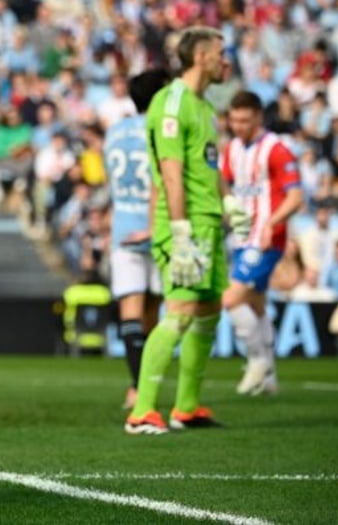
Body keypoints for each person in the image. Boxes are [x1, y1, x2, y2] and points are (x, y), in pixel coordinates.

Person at [125, 27, 249, 435]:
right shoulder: (173, 102)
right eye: (220, 52)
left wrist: (229, 201)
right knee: (178, 314)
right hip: (185, 224)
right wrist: (179, 231)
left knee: (210, 311)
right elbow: (171, 174)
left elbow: (209, 167)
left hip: (209, 223)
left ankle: (186, 407)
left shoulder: (205, 106)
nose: (225, 60)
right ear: (199, 56)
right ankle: (142, 410)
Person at [219, 91, 303, 397]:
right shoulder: (232, 149)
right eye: (233, 119)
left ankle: (256, 361)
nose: (238, 125)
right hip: (242, 237)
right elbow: (224, 185)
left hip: (267, 238)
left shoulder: (277, 150)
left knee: (231, 299)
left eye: (244, 120)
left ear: (257, 117)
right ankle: (270, 376)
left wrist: (272, 222)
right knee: (256, 304)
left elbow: (296, 197)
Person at [103, 68, 170, 410]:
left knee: (130, 311)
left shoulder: (114, 132)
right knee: (153, 312)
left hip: (123, 227)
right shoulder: (163, 130)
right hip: (157, 225)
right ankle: (146, 386)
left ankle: (135, 386)